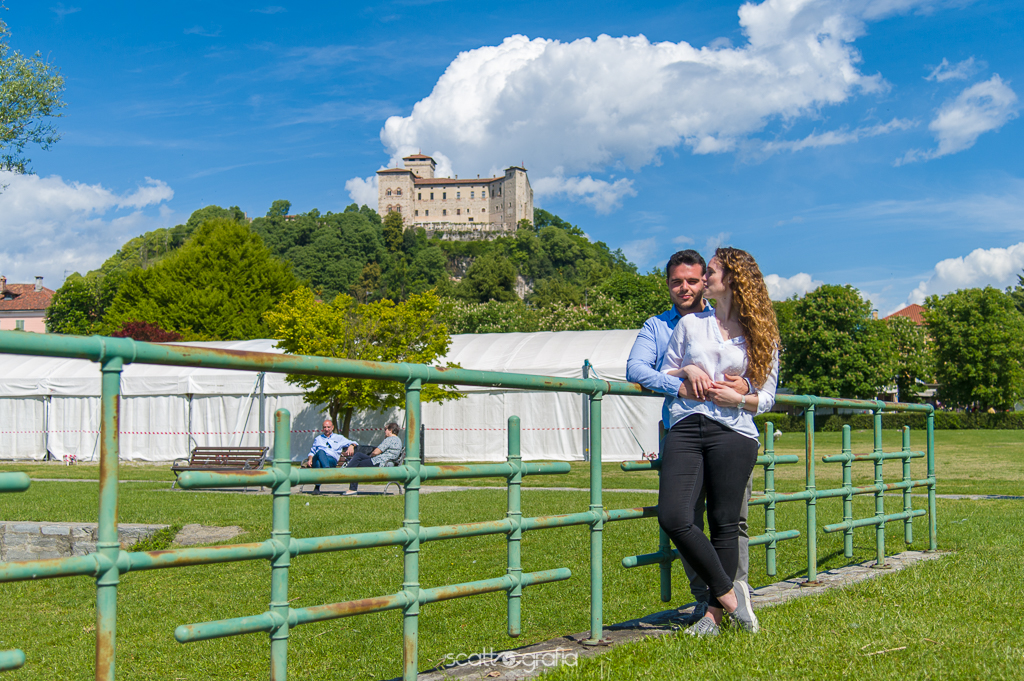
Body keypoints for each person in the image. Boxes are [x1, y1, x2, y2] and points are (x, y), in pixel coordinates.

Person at [625, 249, 753, 625]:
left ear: (705, 282)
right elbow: (635, 367)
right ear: (667, 285)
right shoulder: (658, 326)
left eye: (693, 280)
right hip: (682, 427)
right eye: (676, 281)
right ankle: (712, 599)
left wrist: (745, 384)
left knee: (731, 519)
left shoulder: (728, 321)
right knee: (683, 517)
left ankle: (733, 597)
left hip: (729, 427)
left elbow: (757, 370)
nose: (684, 288)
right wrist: (679, 382)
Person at [658, 247, 779, 636]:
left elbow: (768, 396)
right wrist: (687, 367)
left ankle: (712, 617)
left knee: (725, 524)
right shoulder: (691, 325)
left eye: (710, 272)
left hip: (736, 431)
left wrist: (740, 398)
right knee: (674, 516)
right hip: (688, 424)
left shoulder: (761, 334)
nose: (702, 278)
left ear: (733, 279)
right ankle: (731, 595)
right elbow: (663, 371)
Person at [342, 422, 403, 495]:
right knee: (358, 455)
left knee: (357, 463)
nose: (384, 431)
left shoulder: (390, 439)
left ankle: (348, 479)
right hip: (385, 461)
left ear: (390, 430)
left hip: (380, 462)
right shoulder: (398, 440)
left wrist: (371, 455)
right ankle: (347, 471)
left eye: (385, 429)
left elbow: (376, 452)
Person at [305, 419, 356, 494]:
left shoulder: (339, 438)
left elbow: (354, 442)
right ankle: (327, 470)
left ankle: (317, 488)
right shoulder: (318, 439)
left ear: (332, 427)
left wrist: (351, 446)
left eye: (328, 427)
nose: (326, 429)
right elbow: (312, 452)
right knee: (320, 452)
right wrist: (310, 459)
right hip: (318, 458)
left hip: (331, 460)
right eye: (325, 427)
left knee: (319, 462)